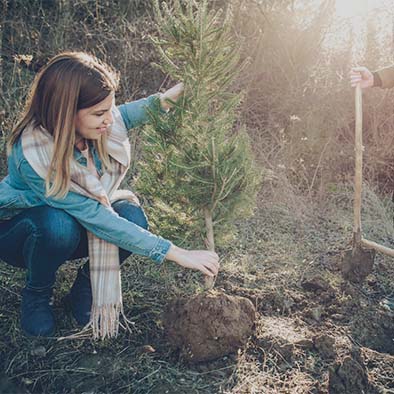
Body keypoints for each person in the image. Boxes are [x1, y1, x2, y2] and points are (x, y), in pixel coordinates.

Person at [0, 51, 219, 338]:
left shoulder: (101, 124)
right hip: (19, 234)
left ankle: (84, 290)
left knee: (132, 217)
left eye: (109, 109)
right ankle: (37, 294)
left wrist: (180, 92)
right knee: (58, 226)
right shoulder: (34, 153)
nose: (109, 121)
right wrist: (176, 253)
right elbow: (96, 217)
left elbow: (132, 112)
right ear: (65, 112)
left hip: (73, 223)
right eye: (99, 114)